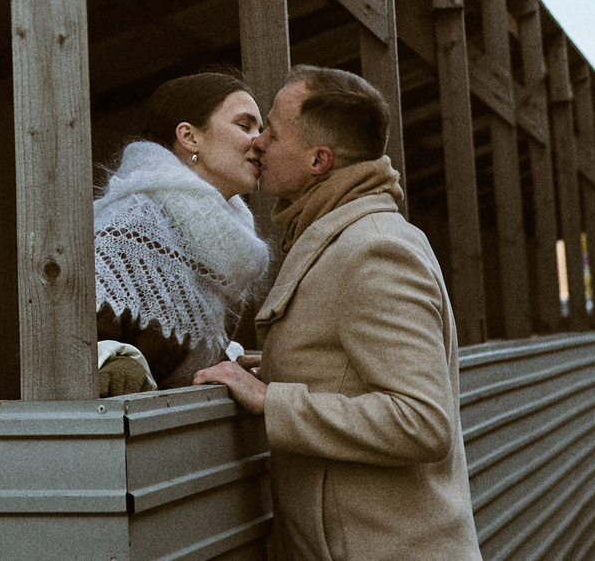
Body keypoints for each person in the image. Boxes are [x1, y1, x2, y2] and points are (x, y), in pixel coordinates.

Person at [193, 66, 479, 561]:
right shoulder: (338, 235)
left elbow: (421, 421)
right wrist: (283, 365)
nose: (259, 142)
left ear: (318, 160)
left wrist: (271, 400)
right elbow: (352, 366)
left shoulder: (374, 250)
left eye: (274, 132)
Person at [92, 72, 272, 393]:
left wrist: (229, 361)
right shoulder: (132, 221)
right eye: (245, 126)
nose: (261, 141)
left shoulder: (226, 238)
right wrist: (113, 358)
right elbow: (73, 334)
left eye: (260, 129)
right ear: (190, 137)